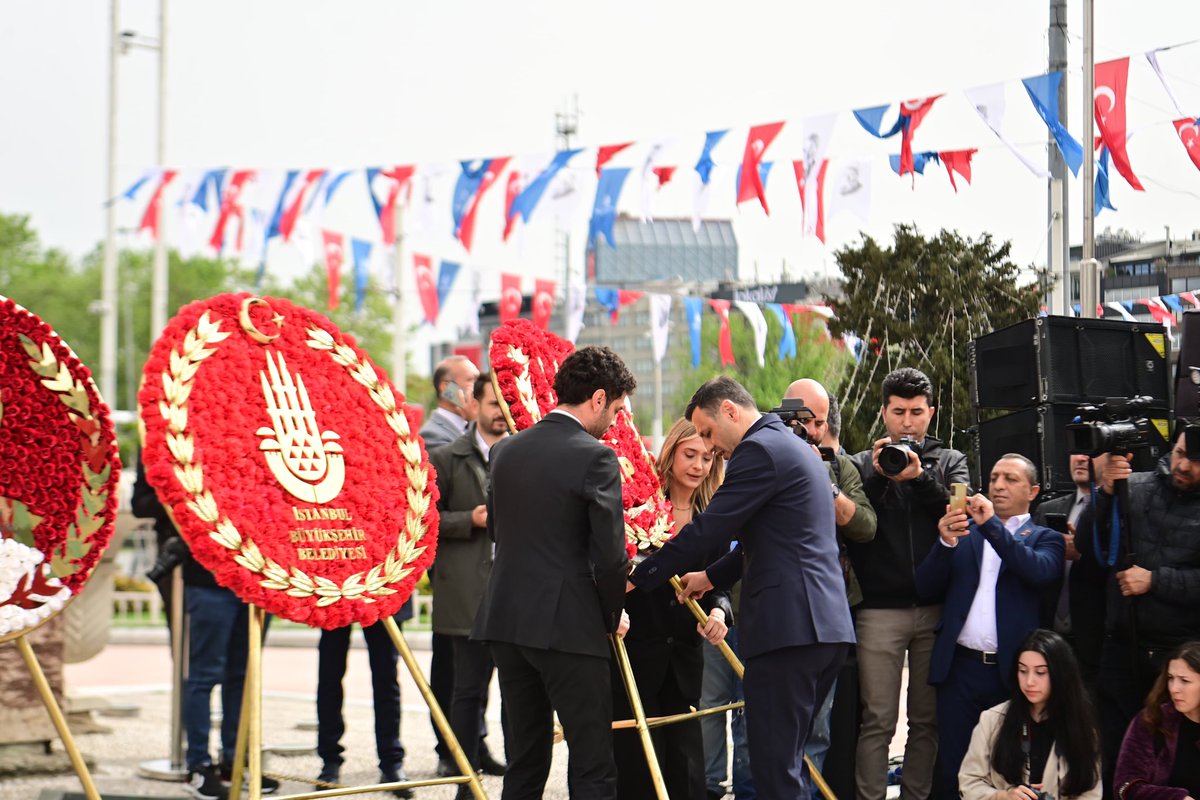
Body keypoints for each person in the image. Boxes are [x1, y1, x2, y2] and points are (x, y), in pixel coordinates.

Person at [629, 376, 855, 799]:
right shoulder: (790, 446)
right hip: (822, 627)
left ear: (731, 410)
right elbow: (768, 538)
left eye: (710, 433)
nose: (710, 448)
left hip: (790, 630)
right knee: (787, 765)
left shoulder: (758, 450)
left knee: (774, 769)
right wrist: (710, 577)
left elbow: (708, 528)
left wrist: (638, 576)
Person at [472, 346, 636, 800]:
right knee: (592, 762)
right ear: (599, 398)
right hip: (568, 627)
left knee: (524, 761)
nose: (616, 422)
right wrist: (610, 616)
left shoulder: (505, 450)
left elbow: (500, 531)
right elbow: (609, 557)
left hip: (507, 621)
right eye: (617, 410)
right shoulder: (596, 458)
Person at [849, 366, 969, 800]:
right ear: (884, 413)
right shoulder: (863, 464)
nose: (907, 422)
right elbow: (859, 526)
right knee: (877, 717)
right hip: (879, 610)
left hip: (935, 608)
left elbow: (958, 513)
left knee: (926, 718)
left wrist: (918, 477)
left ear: (930, 413)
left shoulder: (950, 460)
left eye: (916, 412)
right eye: (898, 411)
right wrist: (882, 474)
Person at [917, 454, 1064, 800]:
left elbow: (1038, 571)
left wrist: (992, 527)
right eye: (994, 477)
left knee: (1007, 765)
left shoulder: (1045, 538)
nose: (998, 485)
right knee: (953, 764)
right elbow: (925, 587)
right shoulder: (966, 533)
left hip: (1012, 672)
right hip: (959, 669)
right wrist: (944, 543)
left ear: (1034, 491)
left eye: (1010, 479)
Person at [611, 417, 732, 800]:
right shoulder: (640, 510)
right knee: (636, 766)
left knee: (686, 768)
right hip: (636, 654)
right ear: (670, 454)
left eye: (708, 458)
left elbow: (719, 586)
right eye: (690, 455)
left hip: (683, 660)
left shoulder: (712, 519)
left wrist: (719, 613)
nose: (699, 466)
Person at [1075, 426, 1200, 790]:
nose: (1183, 465)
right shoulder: (1138, 485)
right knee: (1116, 757)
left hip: (1178, 658)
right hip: (1121, 648)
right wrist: (1108, 492)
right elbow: (1087, 546)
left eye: (1194, 460)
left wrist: (1155, 580)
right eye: (1179, 453)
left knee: (1172, 763)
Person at [782, 379, 876, 783]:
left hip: (826, 612)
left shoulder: (839, 466)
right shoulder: (761, 456)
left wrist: (826, 482)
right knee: (760, 724)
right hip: (777, 609)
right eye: (803, 421)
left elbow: (866, 527)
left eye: (819, 422)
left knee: (817, 727)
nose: (813, 430)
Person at [428, 374, 509, 787]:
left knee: (515, 692)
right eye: (492, 403)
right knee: (467, 689)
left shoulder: (523, 453)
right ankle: (464, 769)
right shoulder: (445, 458)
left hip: (514, 592)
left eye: (505, 403)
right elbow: (424, 524)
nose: (500, 412)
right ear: (474, 406)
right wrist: (468, 520)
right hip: (467, 593)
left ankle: (501, 762)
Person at [419, 353, 480, 774]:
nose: (476, 391)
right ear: (448, 388)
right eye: (470, 381)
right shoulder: (433, 438)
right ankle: (449, 749)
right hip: (454, 570)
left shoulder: (476, 436)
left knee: (477, 669)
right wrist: (469, 519)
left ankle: (474, 743)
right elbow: (426, 512)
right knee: (451, 668)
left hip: (482, 571)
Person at [959, 629, 1102, 800]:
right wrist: (1002, 796)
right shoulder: (992, 719)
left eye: (1040, 672)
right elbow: (969, 783)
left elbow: (1090, 793)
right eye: (1023, 670)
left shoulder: (1081, 727)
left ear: (1060, 675)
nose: (1029, 682)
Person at [182, 561, 279, 798]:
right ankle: (198, 766)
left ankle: (234, 763)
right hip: (209, 580)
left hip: (255, 583)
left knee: (243, 679)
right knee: (203, 678)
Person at [314, 607, 414, 798]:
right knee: (329, 676)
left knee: (387, 678)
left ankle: (392, 762)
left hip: (381, 587)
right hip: (333, 588)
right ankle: (330, 761)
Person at [1032, 453, 1110, 691]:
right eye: (1076, 448)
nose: (1081, 458)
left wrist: (1084, 554)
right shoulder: (1047, 509)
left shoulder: (1121, 510)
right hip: (1047, 640)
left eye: (1091, 451)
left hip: (1095, 648)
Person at [1114, 641, 1200, 800]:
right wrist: (1176, 798)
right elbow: (1125, 786)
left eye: (1184, 680)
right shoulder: (1152, 720)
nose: (1174, 688)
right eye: (1170, 678)